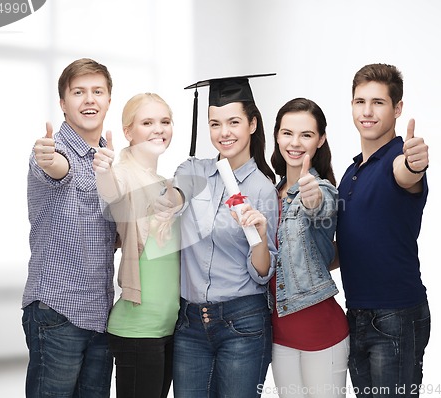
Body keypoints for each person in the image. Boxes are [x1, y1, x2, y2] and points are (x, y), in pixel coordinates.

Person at [156, 74, 279, 398]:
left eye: (234, 122)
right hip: (190, 324)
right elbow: (171, 198)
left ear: (252, 124)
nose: (224, 133)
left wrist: (260, 236)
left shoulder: (262, 189)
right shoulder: (193, 171)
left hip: (243, 323)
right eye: (215, 124)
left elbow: (263, 272)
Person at [22, 58, 117, 398]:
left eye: (97, 91)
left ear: (108, 100)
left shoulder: (108, 157)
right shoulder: (53, 149)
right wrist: (49, 160)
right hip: (57, 311)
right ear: (63, 103)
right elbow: (55, 167)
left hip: (100, 314)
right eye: (78, 92)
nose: (89, 99)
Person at [335, 63, 431, 397]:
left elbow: (407, 173)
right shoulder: (350, 173)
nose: (367, 111)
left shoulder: (398, 159)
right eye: (360, 102)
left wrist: (414, 163)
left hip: (396, 315)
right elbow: (344, 248)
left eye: (378, 102)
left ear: (397, 108)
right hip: (356, 313)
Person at [92, 93, 180, 398]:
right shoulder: (123, 175)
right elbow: (112, 192)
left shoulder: (165, 184)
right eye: (147, 122)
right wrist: (103, 170)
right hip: (137, 330)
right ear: (129, 131)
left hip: (168, 328)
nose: (158, 129)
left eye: (164, 121)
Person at [269, 98, 349, 398]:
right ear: (277, 135)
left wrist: (312, 197)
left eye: (306, 135)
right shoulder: (270, 192)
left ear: (321, 139)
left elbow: (322, 208)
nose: (295, 142)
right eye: (287, 133)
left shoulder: (323, 188)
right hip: (280, 335)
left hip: (321, 332)